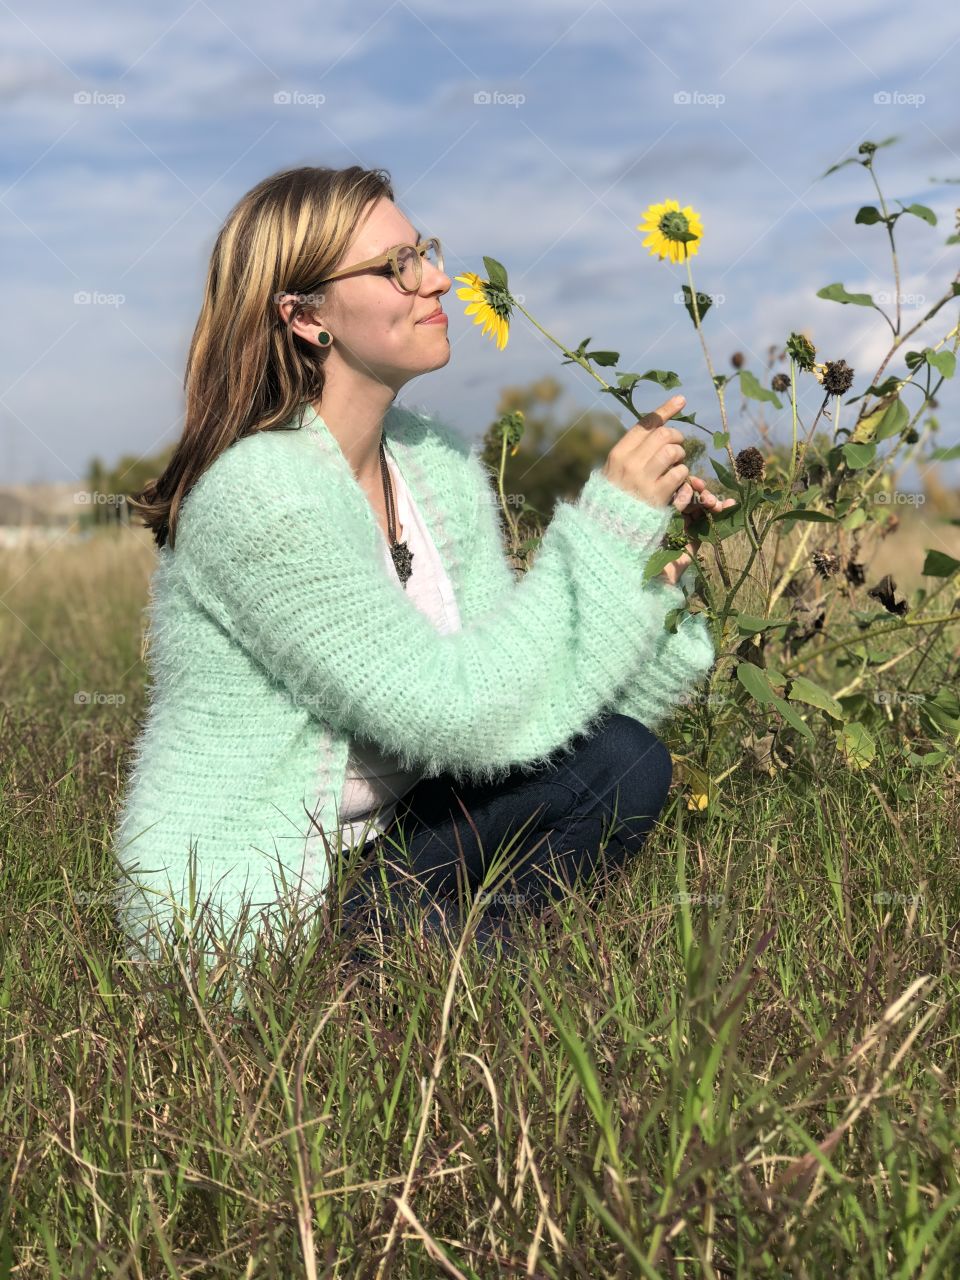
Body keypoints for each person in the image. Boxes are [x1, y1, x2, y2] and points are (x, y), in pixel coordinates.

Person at [113, 163, 726, 967]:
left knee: (622, 760)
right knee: (604, 769)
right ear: (306, 318)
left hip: (398, 844)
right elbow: (459, 713)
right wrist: (604, 528)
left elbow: (529, 710)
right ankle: (402, 973)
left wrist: (650, 572)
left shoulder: (430, 461)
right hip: (265, 891)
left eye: (425, 251)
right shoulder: (260, 496)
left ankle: (434, 966)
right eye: (395, 267)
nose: (436, 279)